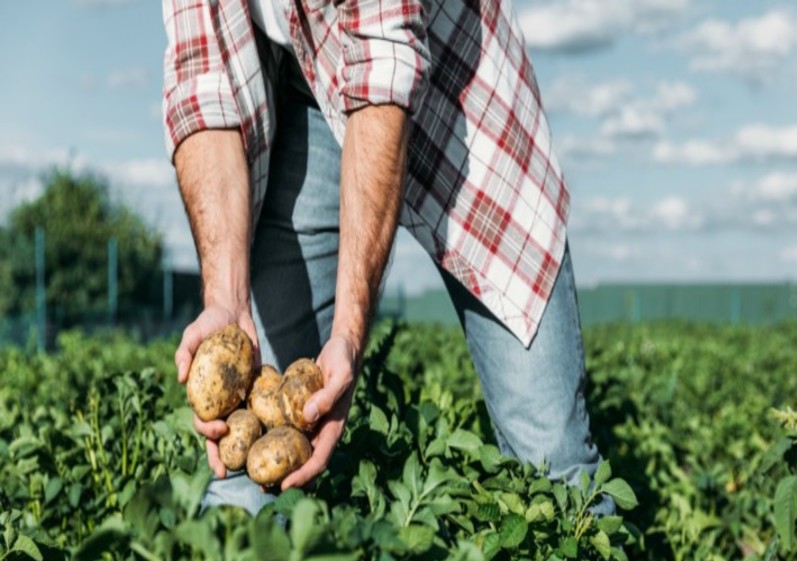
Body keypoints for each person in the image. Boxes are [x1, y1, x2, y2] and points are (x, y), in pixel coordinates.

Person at [161, 0, 614, 516]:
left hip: (460, 90)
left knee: (552, 464)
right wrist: (225, 299)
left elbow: (382, 65)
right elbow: (202, 85)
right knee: (252, 467)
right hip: (305, 92)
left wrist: (349, 336)